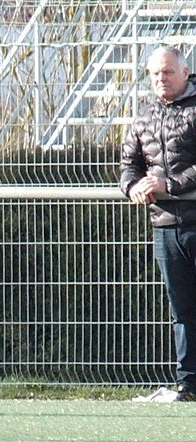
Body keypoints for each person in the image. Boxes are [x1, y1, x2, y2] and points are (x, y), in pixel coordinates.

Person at [121, 45, 196, 402]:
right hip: (165, 227)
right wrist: (133, 186)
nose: (161, 79)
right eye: (155, 74)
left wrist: (171, 184)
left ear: (185, 72)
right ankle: (189, 385)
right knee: (182, 310)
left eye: (167, 72)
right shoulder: (143, 115)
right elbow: (129, 164)